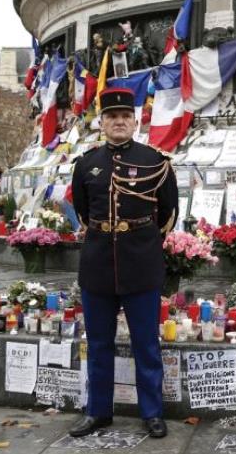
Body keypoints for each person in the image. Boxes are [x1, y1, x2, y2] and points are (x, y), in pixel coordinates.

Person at [69, 87, 178, 439]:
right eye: (112, 117)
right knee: (98, 344)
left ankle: (152, 413)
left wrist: (142, 243)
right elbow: (85, 212)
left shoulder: (156, 161)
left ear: (135, 121)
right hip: (98, 264)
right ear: (102, 123)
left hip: (141, 264)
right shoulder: (86, 163)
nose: (119, 122)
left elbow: (168, 213)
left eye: (125, 117)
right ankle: (98, 411)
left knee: (146, 343)